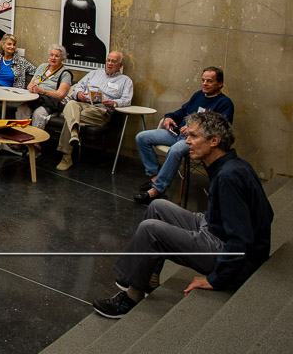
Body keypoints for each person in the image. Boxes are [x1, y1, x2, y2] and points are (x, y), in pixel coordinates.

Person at [92, 111, 273, 318]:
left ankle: (131, 295)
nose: (187, 141)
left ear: (214, 141)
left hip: (233, 255)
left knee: (151, 230)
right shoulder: (235, 164)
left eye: (193, 136)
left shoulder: (228, 177)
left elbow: (241, 239)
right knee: (158, 206)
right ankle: (148, 277)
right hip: (215, 228)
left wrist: (216, 279)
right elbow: (268, 213)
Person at [135, 67, 234, 204]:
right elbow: (182, 111)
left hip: (196, 140)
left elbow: (220, 130)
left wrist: (194, 130)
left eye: (209, 81)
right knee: (142, 137)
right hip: (177, 134)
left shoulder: (225, 103)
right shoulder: (198, 95)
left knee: (175, 150)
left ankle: (157, 189)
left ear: (220, 83)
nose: (204, 84)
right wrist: (168, 117)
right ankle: (155, 177)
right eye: (203, 80)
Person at [54, 51, 133, 170]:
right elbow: (79, 87)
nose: (109, 63)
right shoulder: (94, 73)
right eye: (108, 60)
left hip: (101, 111)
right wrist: (79, 93)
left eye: (113, 61)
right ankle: (74, 133)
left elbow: (127, 100)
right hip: (84, 104)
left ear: (120, 65)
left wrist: (114, 103)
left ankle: (66, 157)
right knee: (71, 104)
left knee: (72, 116)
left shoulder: (125, 81)